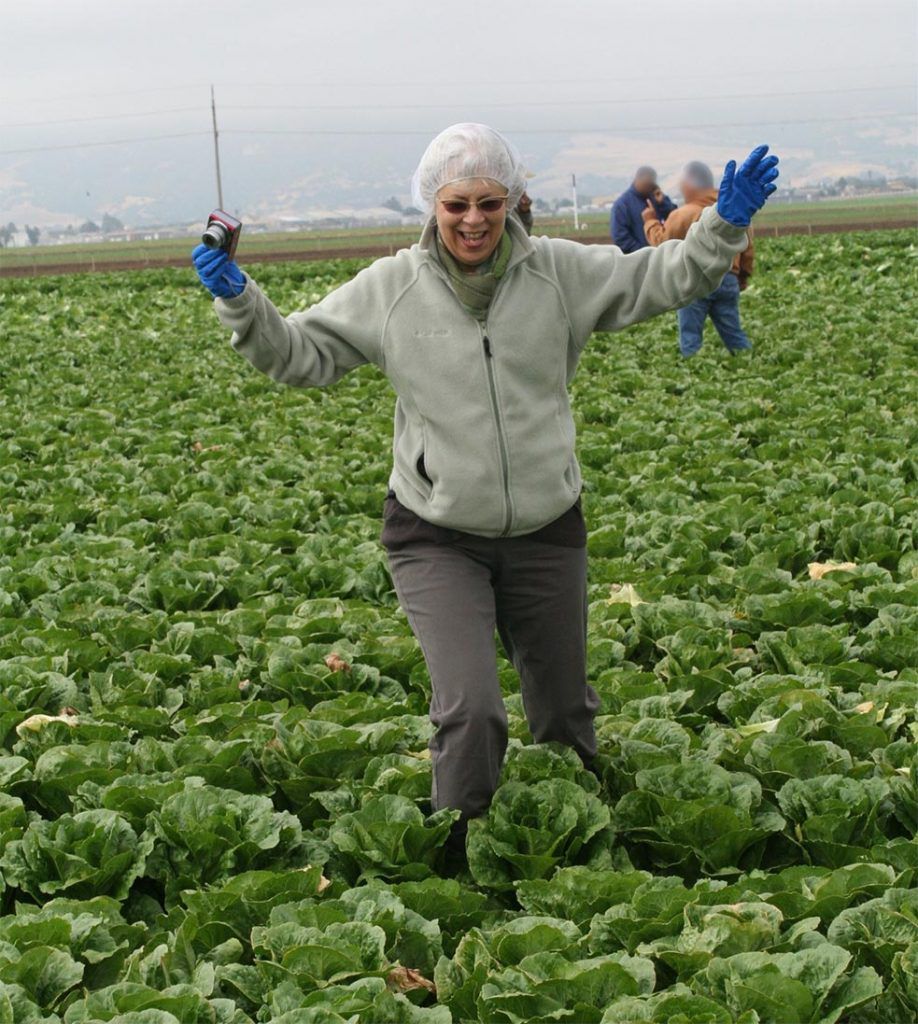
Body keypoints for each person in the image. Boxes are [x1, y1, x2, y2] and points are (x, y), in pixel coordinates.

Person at [192, 124, 778, 859]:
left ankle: (580, 855)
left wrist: (724, 222)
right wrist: (241, 301)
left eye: (490, 203)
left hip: (545, 527)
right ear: (432, 205)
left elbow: (668, 277)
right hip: (436, 533)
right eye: (457, 204)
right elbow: (299, 356)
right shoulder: (391, 289)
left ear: (513, 201)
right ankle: (462, 865)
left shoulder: (562, 274)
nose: (474, 219)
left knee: (565, 712)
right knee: (471, 711)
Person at [643, 160, 755, 356]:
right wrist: (743, 276)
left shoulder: (683, 214)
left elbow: (662, 244)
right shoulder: (733, 211)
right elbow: (747, 247)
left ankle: (694, 374)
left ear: (689, 185)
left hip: (694, 280)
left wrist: (650, 221)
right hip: (728, 278)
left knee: (690, 338)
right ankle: (748, 363)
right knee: (734, 333)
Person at [610, 166, 677, 253]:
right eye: (647, 184)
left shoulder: (657, 198)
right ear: (637, 179)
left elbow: (675, 219)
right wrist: (645, 253)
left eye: (652, 184)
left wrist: (663, 203)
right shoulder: (622, 205)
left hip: (661, 255)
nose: (649, 187)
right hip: (637, 259)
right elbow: (620, 237)